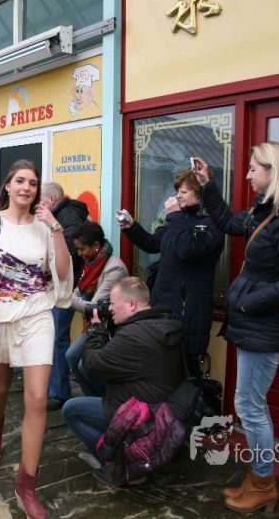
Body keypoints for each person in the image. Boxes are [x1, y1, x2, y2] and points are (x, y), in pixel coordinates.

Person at [192, 142, 279, 513]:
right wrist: (208, 184)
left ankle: (264, 482)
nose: (248, 174)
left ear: (274, 171)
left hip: (264, 327)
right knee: (249, 404)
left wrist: (244, 303)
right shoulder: (267, 212)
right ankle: (258, 479)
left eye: (254, 168)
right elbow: (228, 222)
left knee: (250, 407)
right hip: (257, 326)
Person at [0, 159, 72, 519]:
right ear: (8, 186)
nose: (26, 187)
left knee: (36, 399)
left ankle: (26, 484)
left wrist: (56, 229)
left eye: (32, 183)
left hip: (36, 315)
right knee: (0, 387)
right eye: (20, 181)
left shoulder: (45, 227)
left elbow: (63, 272)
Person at [62, 276, 183, 481]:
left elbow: (93, 365)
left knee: (70, 410)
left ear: (132, 304)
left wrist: (97, 329)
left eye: (113, 303)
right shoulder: (161, 321)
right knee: (82, 367)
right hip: (159, 409)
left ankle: (120, 465)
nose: (109, 308)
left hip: (143, 420)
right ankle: (113, 439)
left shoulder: (133, 335)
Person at [118, 170, 224, 377]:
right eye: (177, 192)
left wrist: (174, 216)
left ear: (200, 194)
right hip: (164, 305)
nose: (178, 196)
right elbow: (153, 244)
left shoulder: (212, 224)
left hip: (188, 310)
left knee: (184, 370)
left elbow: (188, 251)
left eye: (183, 192)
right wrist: (131, 227)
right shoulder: (178, 220)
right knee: (162, 369)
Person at [65, 221, 129, 398]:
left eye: (82, 249)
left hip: (110, 328)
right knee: (71, 356)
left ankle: (108, 400)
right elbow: (78, 292)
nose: (79, 254)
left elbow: (94, 308)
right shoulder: (91, 263)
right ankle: (91, 400)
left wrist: (65, 298)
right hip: (96, 325)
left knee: (83, 365)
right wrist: (70, 297)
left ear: (96, 245)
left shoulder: (114, 268)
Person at [41, 182, 89, 411]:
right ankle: (52, 387)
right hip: (56, 287)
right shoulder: (64, 215)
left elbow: (66, 254)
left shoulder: (68, 217)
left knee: (57, 338)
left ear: (52, 200)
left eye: (40, 201)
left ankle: (59, 393)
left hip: (64, 289)